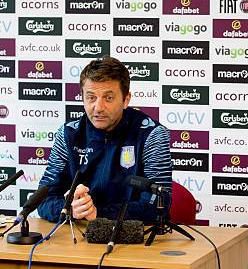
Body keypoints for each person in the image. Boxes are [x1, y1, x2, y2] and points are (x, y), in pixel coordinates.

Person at [36, 56, 172, 223]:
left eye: (108, 98)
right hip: (79, 241)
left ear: (126, 99)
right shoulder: (68, 134)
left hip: (134, 241)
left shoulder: (152, 134)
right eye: (91, 97)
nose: (98, 108)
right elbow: (42, 199)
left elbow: (159, 205)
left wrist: (98, 213)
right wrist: (69, 208)